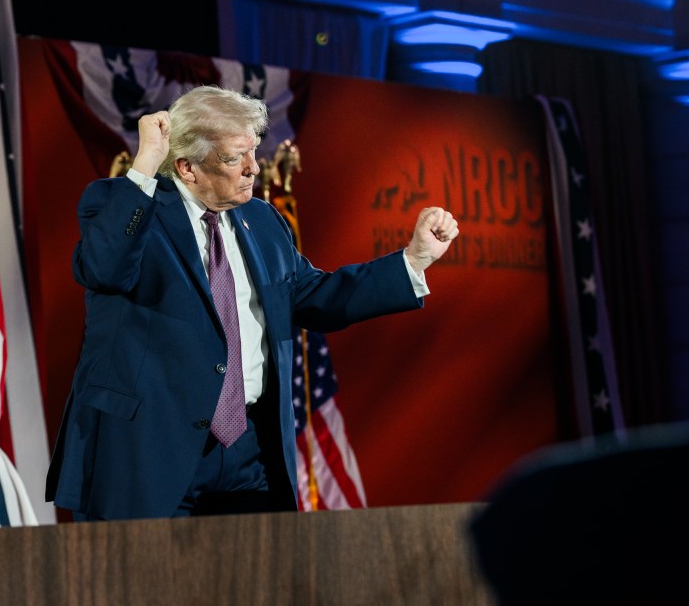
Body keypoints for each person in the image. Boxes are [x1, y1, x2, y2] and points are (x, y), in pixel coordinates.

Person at [45, 85, 459, 521]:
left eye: (253, 152)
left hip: (248, 449)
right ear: (187, 167)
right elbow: (105, 269)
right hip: (151, 450)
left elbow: (314, 296)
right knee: (147, 589)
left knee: (252, 585)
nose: (252, 169)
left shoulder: (260, 220)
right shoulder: (125, 207)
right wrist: (146, 163)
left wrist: (413, 260)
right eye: (232, 158)